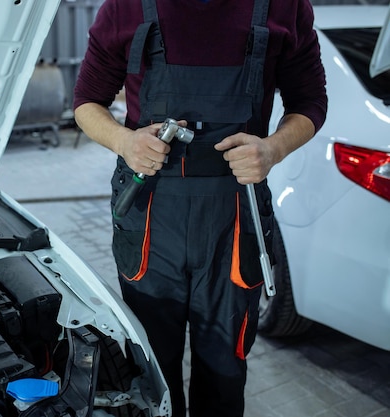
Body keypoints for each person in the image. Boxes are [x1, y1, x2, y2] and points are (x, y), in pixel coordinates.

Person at [72, 0, 327, 416]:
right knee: (151, 370)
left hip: (235, 215)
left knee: (225, 370)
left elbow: (311, 101)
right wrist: (125, 142)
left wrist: (273, 148)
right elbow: (86, 101)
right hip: (152, 217)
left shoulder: (285, 6)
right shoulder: (125, 5)